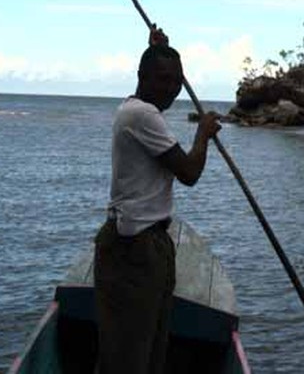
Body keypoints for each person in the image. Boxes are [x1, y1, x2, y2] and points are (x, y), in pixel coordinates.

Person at [94, 27, 221, 374]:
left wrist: (160, 51)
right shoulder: (141, 115)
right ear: (141, 78)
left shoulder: (142, 112)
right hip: (133, 249)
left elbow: (156, 81)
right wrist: (203, 133)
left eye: (177, 81)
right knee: (128, 357)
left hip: (150, 245)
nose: (172, 88)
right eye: (163, 79)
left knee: (149, 350)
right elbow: (189, 173)